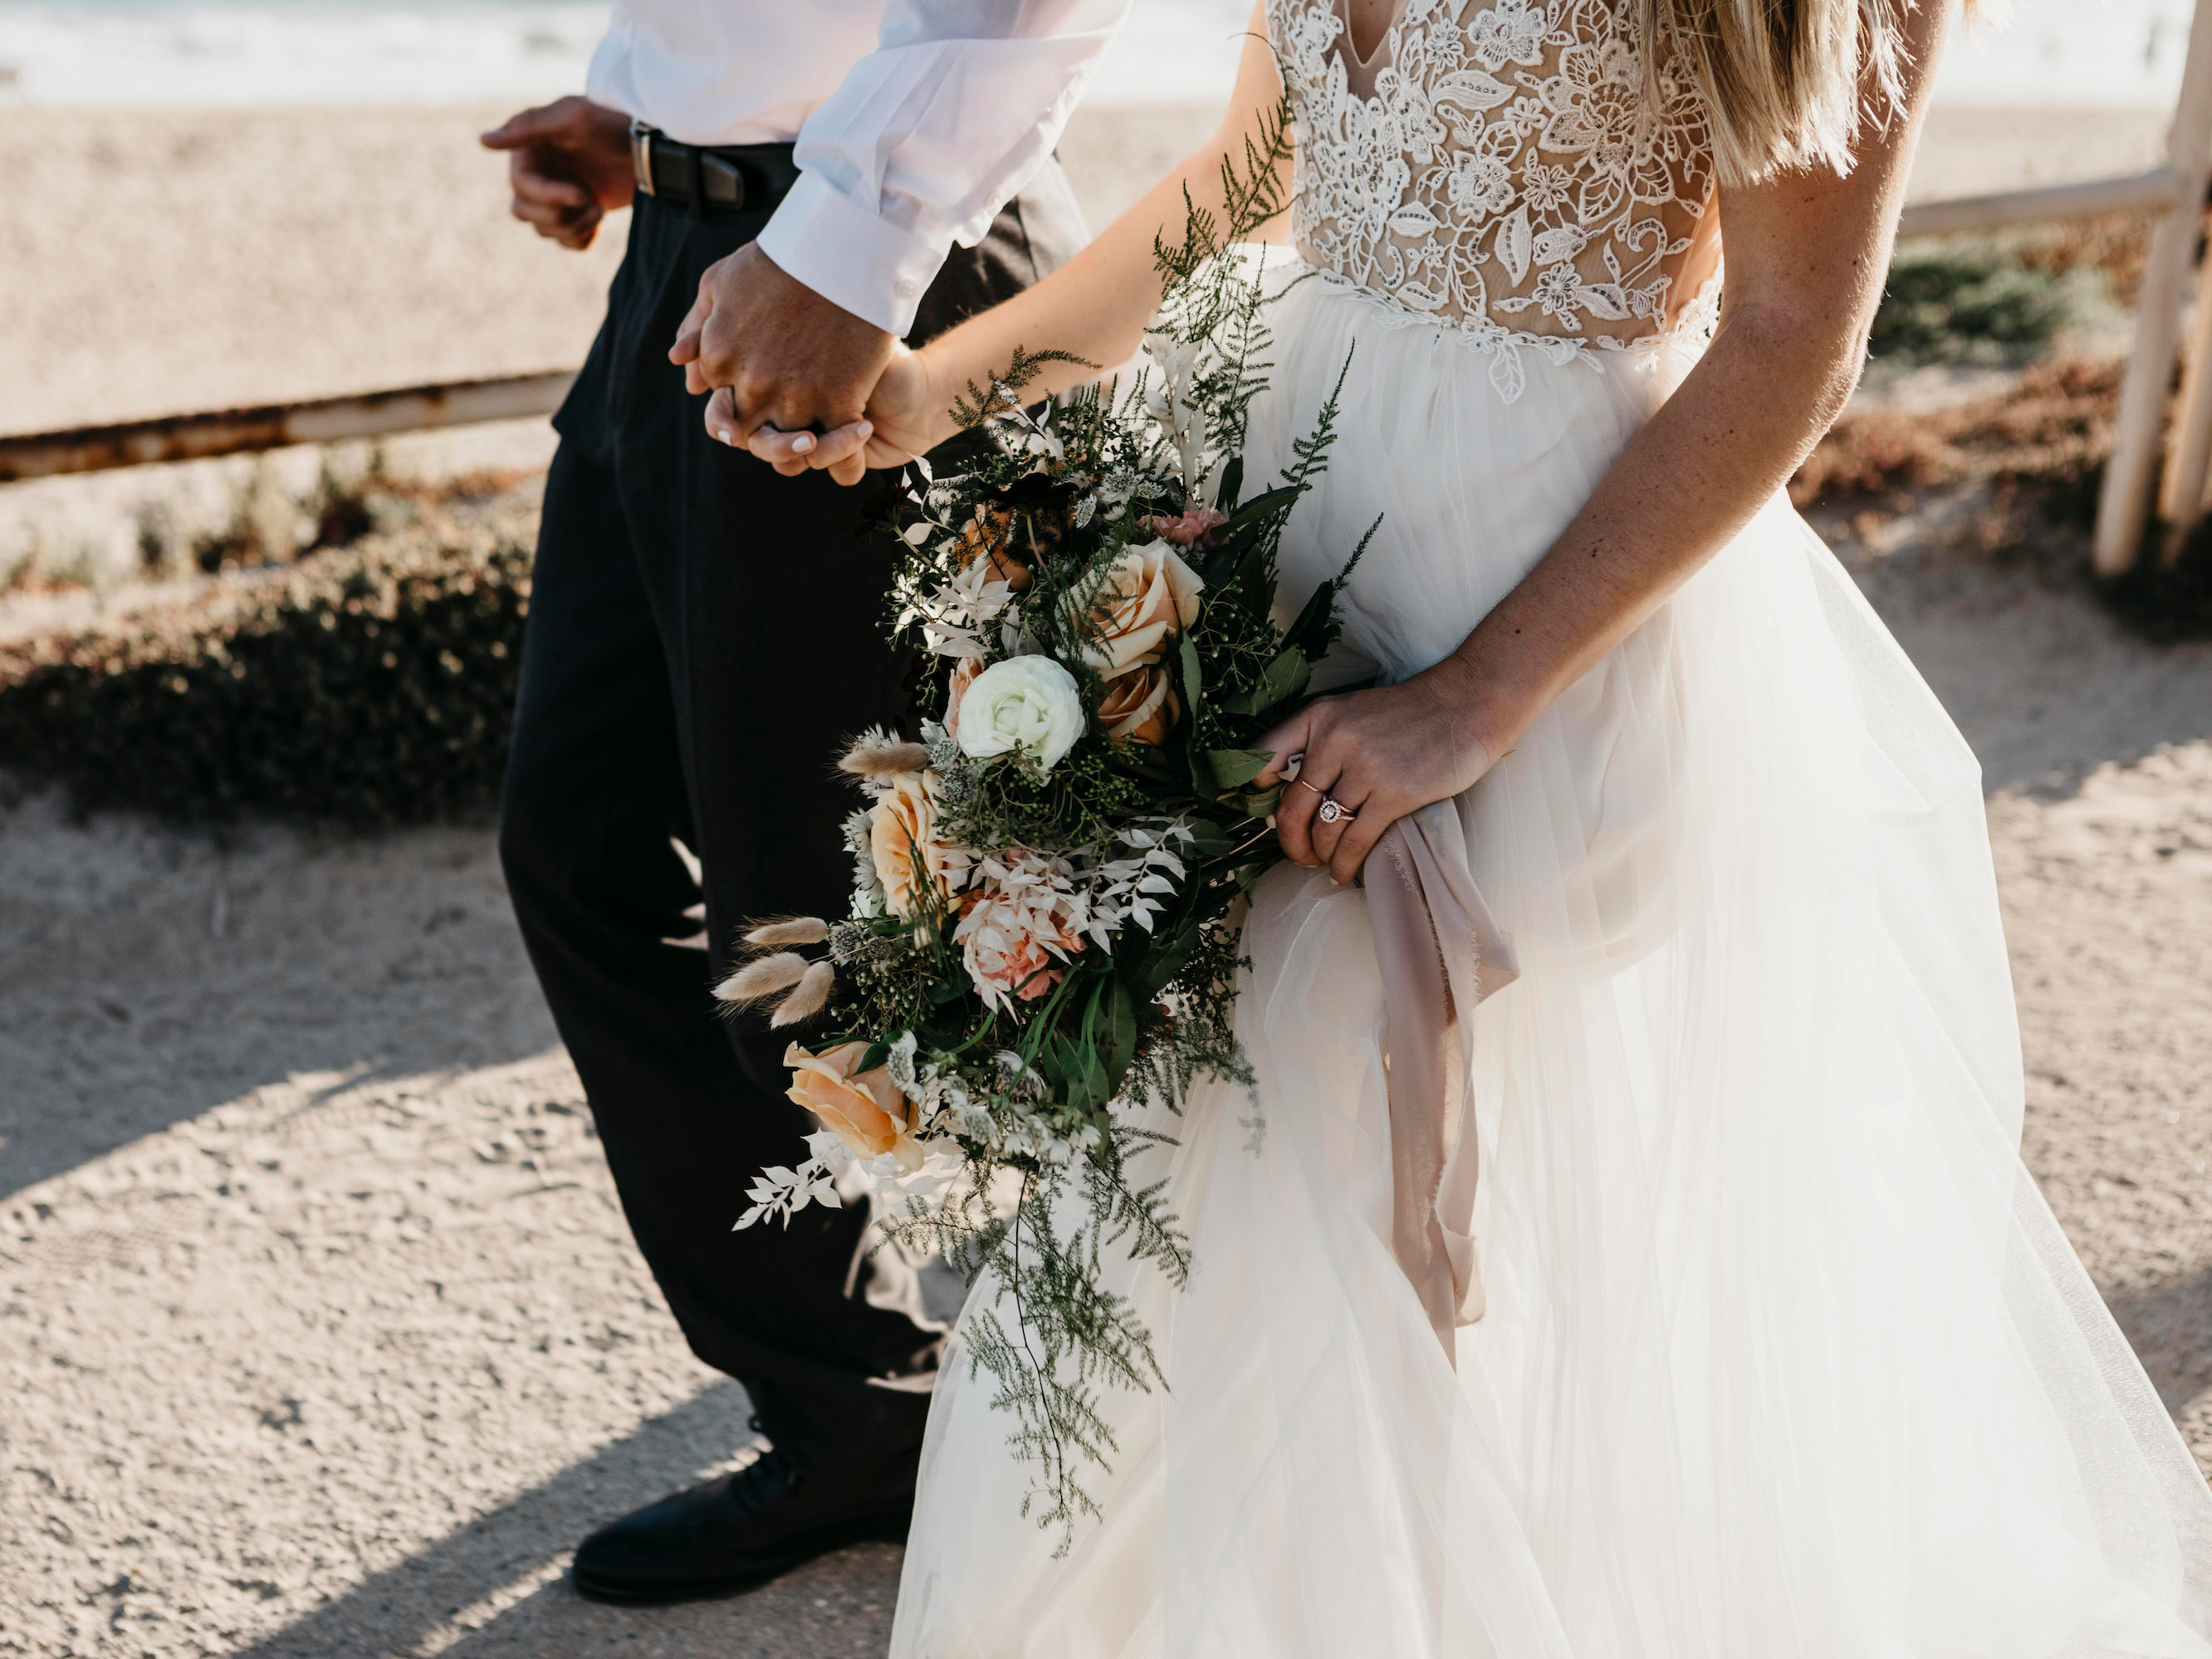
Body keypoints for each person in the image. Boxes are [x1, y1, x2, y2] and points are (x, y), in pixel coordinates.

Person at [741, 0, 2212, 1651]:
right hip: (1295, 541)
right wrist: (943, 388)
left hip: (1554, 600)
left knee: (1340, 1115)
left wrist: (1479, 697)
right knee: (1218, 1148)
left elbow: (1798, 338)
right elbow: (1250, 176)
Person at [477, 0, 1128, 1607]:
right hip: (692, 255)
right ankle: (856, 1400)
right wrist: (642, 116)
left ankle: (1128, 1396)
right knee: (584, 844)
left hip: (865, 269)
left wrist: (846, 236)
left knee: (872, 916)